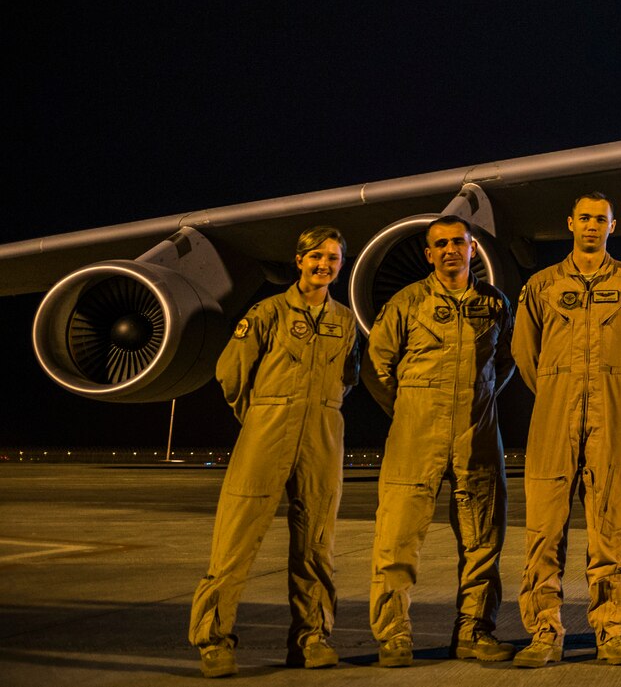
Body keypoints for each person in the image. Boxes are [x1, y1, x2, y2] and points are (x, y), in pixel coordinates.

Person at [189, 226, 360, 677]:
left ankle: (311, 638)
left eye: (333, 258)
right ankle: (214, 640)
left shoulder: (344, 321)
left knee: (316, 544)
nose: (324, 265)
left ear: (341, 266)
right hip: (268, 429)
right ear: (299, 260)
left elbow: (349, 379)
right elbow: (230, 372)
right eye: (316, 257)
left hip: (322, 433)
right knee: (236, 541)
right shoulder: (268, 312)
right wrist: (262, 414)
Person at [511, 194, 621, 667]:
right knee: (545, 528)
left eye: (602, 219)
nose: (593, 226)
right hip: (553, 417)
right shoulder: (542, 285)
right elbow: (525, 354)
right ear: (570, 223)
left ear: (614, 226)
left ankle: (611, 630)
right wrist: (558, 388)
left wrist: (607, 387)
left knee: (611, 525)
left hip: (609, 418)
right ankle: (544, 631)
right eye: (586, 218)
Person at [364, 215, 514, 666]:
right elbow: (376, 366)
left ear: (472, 250)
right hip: (416, 432)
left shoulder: (495, 304)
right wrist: (409, 407)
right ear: (429, 254)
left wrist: (480, 396)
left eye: (459, 242)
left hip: (477, 433)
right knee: (397, 540)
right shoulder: (407, 303)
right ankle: (393, 636)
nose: (451, 250)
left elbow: (506, 360)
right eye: (441, 244)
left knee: (483, 540)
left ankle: (474, 631)